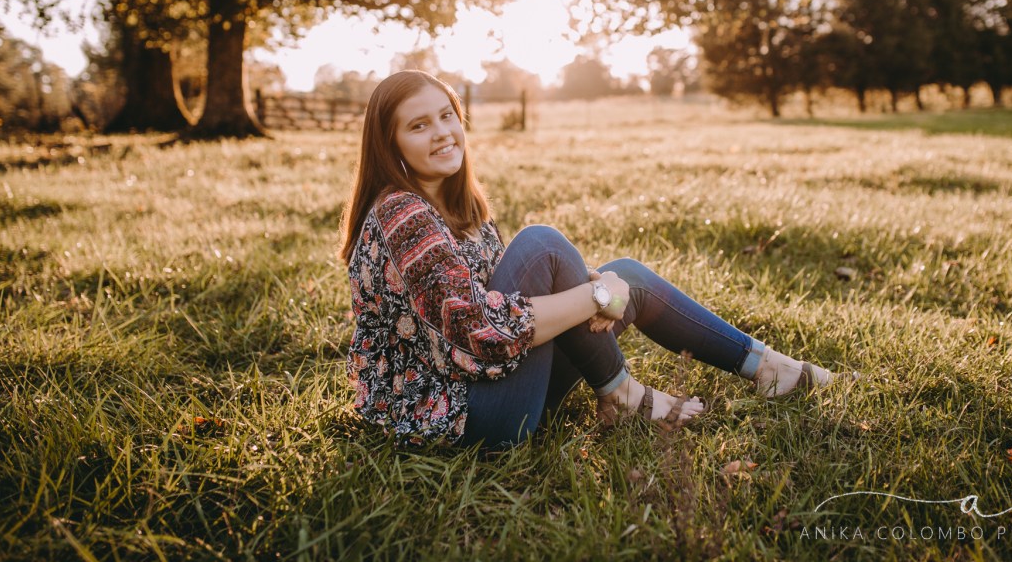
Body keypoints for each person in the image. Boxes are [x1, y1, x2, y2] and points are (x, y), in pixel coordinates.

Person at [340, 70, 844, 450]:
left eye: (446, 114)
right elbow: (480, 332)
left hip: (498, 390)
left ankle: (767, 366)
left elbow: (511, 303)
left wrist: (597, 288)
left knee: (626, 274)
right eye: (419, 125)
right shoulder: (400, 211)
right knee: (544, 246)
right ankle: (622, 394)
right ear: (392, 144)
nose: (442, 132)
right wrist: (593, 296)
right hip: (462, 416)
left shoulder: (463, 208)